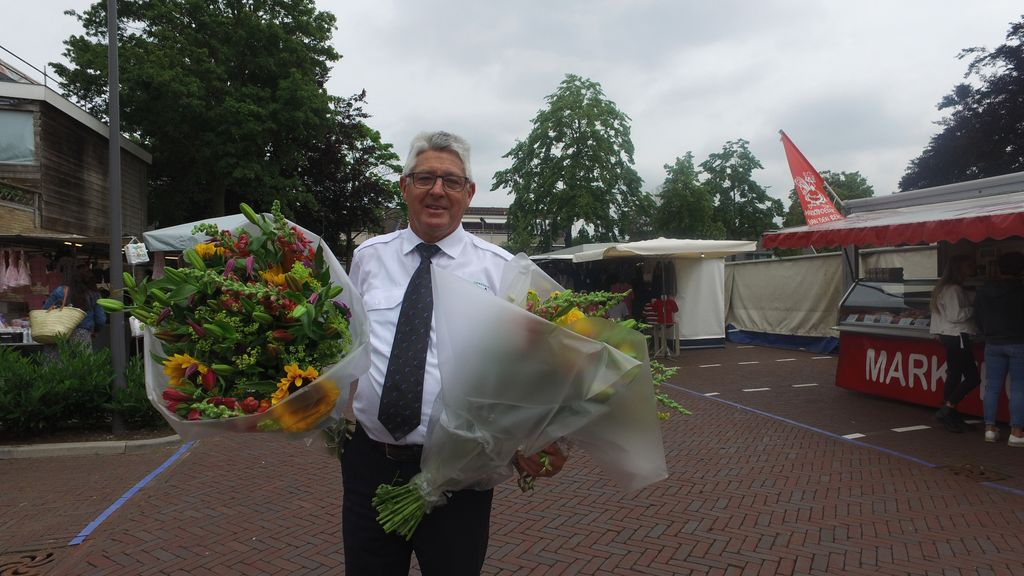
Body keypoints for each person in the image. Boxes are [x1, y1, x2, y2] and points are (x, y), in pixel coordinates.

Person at [344, 131, 568, 575]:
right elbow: (349, 342)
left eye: (450, 181)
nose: (437, 191)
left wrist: (550, 434)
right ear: (404, 187)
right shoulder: (367, 257)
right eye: (424, 178)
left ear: (469, 193)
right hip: (371, 461)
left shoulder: (501, 269)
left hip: (462, 471)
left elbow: (537, 365)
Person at [973, 251, 1024, 447]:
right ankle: (1016, 432)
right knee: (1019, 386)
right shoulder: (1021, 291)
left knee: (992, 386)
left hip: (993, 343)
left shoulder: (983, 291)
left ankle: (990, 429)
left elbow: (977, 318)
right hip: (1019, 342)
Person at [928, 254, 980, 433]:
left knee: (954, 375)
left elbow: (941, 316)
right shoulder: (954, 290)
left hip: (949, 336)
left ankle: (951, 414)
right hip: (957, 336)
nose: (974, 266)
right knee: (972, 377)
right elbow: (956, 316)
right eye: (970, 263)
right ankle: (947, 410)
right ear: (960, 268)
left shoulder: (944, 288)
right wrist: (975, 308)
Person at [40, 267, 106, 348]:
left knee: (57, 359)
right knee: (81, 360)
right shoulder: (94, 295)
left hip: (58, 333)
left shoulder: (60, 291)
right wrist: (96, 331)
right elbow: (101, 319)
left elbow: (45, 310)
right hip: (82, 333)